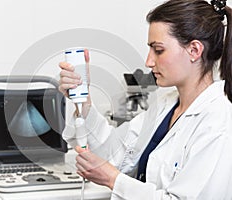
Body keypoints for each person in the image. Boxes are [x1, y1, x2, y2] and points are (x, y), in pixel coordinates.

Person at [58, 0, 232, 199]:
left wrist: (113, 180)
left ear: (194, 50)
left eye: (158, 50)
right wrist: (83, 99)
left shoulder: (219, 121)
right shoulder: (165, 105)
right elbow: (115, 154)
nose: (149, 62)